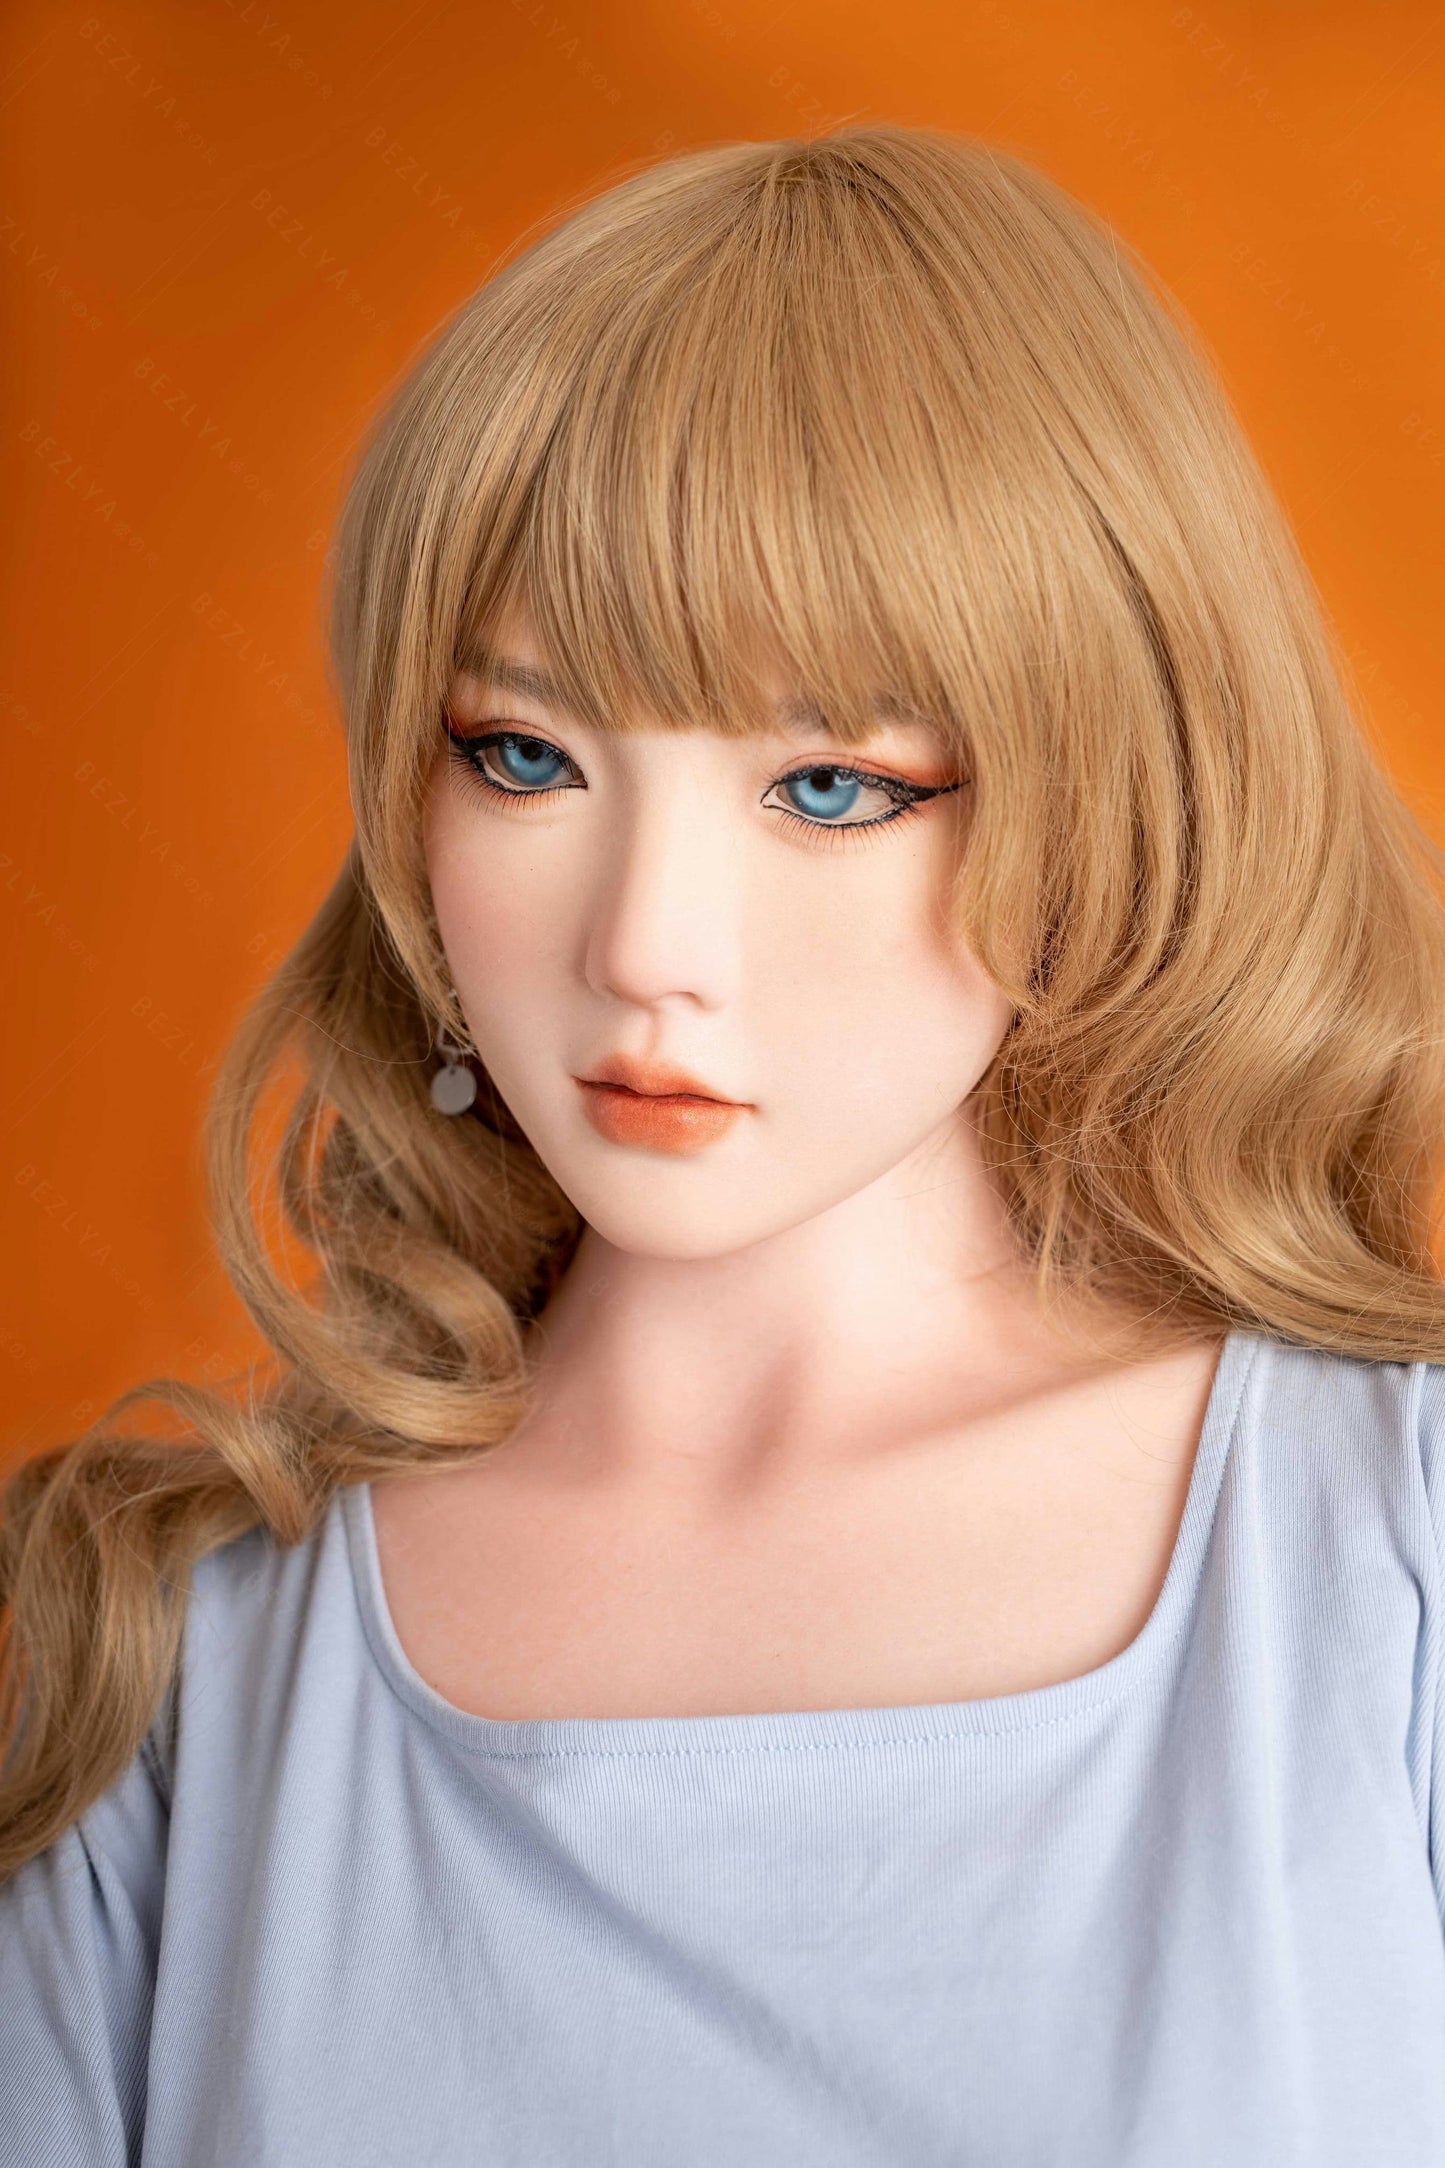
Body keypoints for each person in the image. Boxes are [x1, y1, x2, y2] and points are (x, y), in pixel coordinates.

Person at [4, 121, 1445, 2167]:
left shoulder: (1396, 1554)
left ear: (1114, 790)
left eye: (831, 785)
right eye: (523, 755)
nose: (643, 947)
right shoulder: (153, 1642)